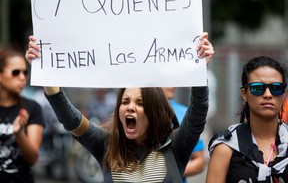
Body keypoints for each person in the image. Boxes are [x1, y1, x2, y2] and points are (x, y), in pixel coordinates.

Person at [26, 32, 214, 182]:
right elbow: (71, 119)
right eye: (125, 102)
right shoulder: (106, 144)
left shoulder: (176, 144)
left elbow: (198, 112)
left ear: (155, 112)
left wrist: (199, 69)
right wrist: (46, 74)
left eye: (140, 103)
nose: (130, 107)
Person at [206, 56, 288, 183]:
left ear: (283, 95)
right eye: (257, 88)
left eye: (276, 88)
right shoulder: (225, 148)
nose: (267, 94)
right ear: (244, 94)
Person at [0, 49, 45, 183]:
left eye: (25, 72)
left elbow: (32, 159)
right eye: (16, 72)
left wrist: (19, 133)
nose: (22, 77)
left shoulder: (32, 108)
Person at [162, 87, 205, 182]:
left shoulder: (185, 114)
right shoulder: (137, 111)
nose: (172, 86)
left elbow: (199, 160)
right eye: (167, 81)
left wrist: (168, 173)